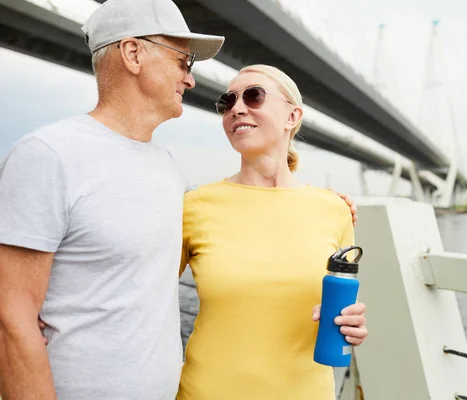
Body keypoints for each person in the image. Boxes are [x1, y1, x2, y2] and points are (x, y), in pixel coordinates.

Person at [0, 1, 362, 400]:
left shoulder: (168, 173)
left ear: (293, 117)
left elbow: (141, 279)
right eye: (184, 61)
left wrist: (317, 206)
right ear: (134, 54)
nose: (191, 80)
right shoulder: (49, 154)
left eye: (254, 96)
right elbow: (12, 315)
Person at [177, 64, 368, 400]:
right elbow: (145, 297)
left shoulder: (334, 209)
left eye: (254, 96)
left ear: (292, 116)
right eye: (228, 101)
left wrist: (352, 323)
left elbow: (338, 306)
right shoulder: (193, 206)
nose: (237, 108)